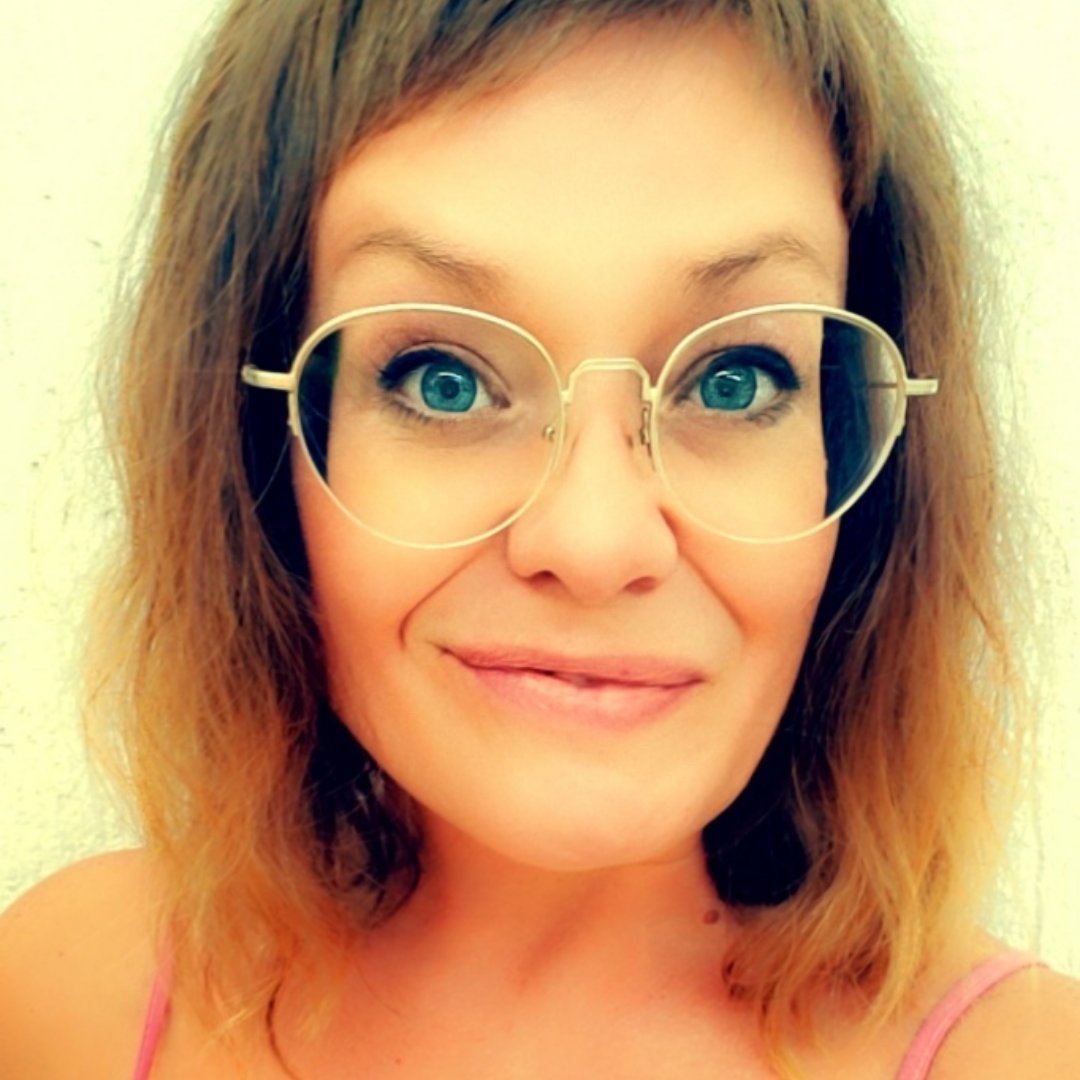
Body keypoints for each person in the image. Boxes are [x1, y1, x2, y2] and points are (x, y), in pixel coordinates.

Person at [1, 0, 1078, 1077]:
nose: (596, 543)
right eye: (443, 380)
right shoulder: (77, 992)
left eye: (733, 379)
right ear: (253, 447)